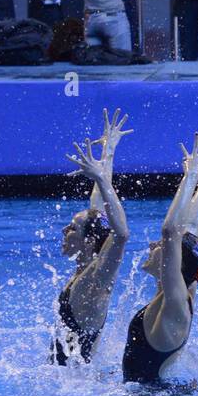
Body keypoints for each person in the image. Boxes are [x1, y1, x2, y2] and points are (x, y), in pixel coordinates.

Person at [122, 134, 198, 385]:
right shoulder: (181, 290)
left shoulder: (176, 303)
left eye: (161, 247)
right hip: (155, 395)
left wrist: (190, 176)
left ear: (174, 262)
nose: (154, 245)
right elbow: (191, 230)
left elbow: (171, 231)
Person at [53, 109, 132, 365]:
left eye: (73, 228)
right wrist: (108, 152)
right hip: (72, 382)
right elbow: (98, 207)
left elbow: (121, 235)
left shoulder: (97, 278)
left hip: (72, 393)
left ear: (88, 242)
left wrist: (101, 177)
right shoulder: (90, 266)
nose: (65, 231)